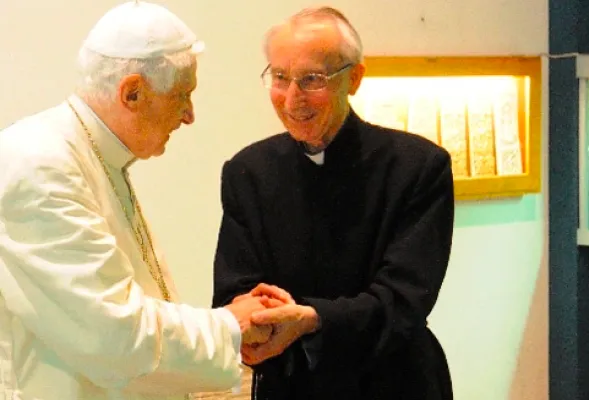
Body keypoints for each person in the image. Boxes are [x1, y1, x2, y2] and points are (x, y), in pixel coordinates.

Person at [0, 2, 276, 399]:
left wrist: (228, 327)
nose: (189, 115)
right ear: (132, 92)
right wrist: (230, 328)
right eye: (182, 95)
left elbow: (139, 302)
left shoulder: (94, 156)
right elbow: (111, 334)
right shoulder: (41, 165)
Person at [212, 6, 455, 400]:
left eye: (312, 79)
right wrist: (255, 315)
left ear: (354, 78)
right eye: (279, 77)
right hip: (291, 384)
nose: (293, 98)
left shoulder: (418, 167)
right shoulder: (248, 172)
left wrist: (311, 320)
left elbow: (404, 302)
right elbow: (233, 291)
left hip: (393, 383)